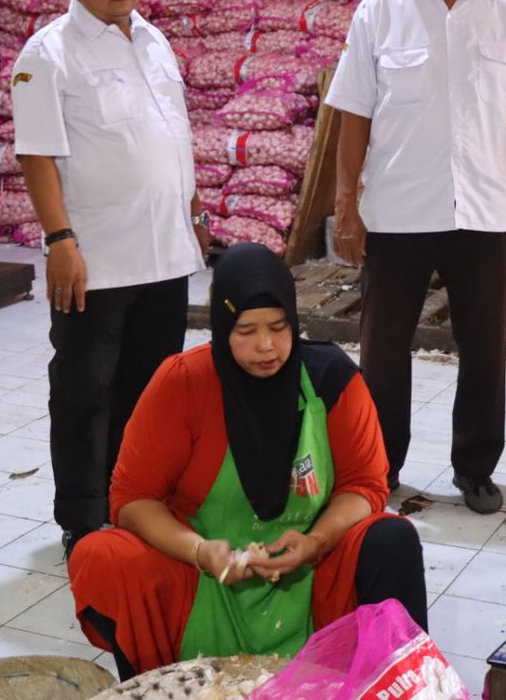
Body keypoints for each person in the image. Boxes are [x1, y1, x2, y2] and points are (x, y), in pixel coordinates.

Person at [67, 244, 427, 677]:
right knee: (100, 556)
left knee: (391, 539)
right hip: (205, 584)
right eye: (245, 331)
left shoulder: (331, 378)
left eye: (278, 327)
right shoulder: (184, 383)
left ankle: (393, 695)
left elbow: (365, 485)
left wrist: (317, 542)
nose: (266, 346)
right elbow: (132, 498)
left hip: (311, 580)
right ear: (220, 326)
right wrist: (201, 551)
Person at [326, 0, 506, 514]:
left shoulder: (505, 13)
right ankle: (379, 468)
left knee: (485, 350)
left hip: (481, 211)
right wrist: (347, 206)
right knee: (383, 354)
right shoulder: (380, 13)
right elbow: (353, 117)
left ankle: (476, 469)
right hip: (397, 211)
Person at [11, 0, 208, 556]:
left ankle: (135, 503)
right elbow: (36, 155)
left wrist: (194, 209)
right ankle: (81, 518)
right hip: (94, 260)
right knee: (84, 393)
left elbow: (171, 135)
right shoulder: (48, 54)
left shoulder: (154, 40)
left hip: (164, 252)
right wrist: (58, 239)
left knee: (151, 395)